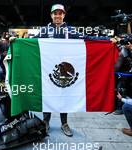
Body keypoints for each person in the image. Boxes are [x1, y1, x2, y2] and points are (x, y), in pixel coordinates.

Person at [34, 4, 116, 137]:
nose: (57, 16)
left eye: (60, 13)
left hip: (66, 68)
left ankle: (64, 123)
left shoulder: (70, 31)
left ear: (64, 15)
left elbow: (88, 38)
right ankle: (45, 122)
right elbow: (31, 41)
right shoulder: (45, 31)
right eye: (55, 13)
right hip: (49, 69)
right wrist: (16, 41)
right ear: (51, 15)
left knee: (65, 94)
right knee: (48, 94)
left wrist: (106, 40)